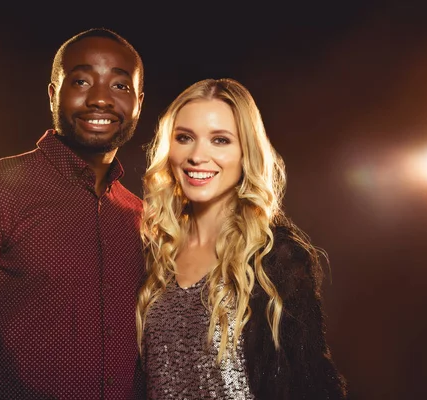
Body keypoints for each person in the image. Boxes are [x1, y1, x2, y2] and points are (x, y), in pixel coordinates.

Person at [0, 28, 147, 399]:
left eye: (120, 86)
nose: (101, 99)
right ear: (53, 93)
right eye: (82, 80)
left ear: (138, 103)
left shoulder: (144, 219)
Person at [135, 78, 348, 399]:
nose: (197, 155)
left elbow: (312, 383)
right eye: (184, 138)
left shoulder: (276, 257)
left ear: (245, 151)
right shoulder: (156, 251)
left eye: (220, 140)